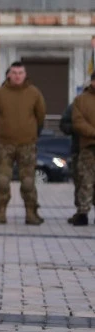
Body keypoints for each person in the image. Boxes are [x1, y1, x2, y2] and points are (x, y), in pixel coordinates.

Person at [0, 61, 47, 225]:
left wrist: (31, 132)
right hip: (4, 145)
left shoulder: (34, 93)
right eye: (14, 73)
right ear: (9, 75)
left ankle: (31, 213)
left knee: (28, 181)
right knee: (2, 180)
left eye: (20, 73)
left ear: (25, 75)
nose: (17, 76)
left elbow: (40, 116)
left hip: (27, 144)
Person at [68, 73, 95, 226]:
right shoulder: (81, 100)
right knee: (85, 180)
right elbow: (77, 122)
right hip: (88, 147)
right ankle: (83, 211)